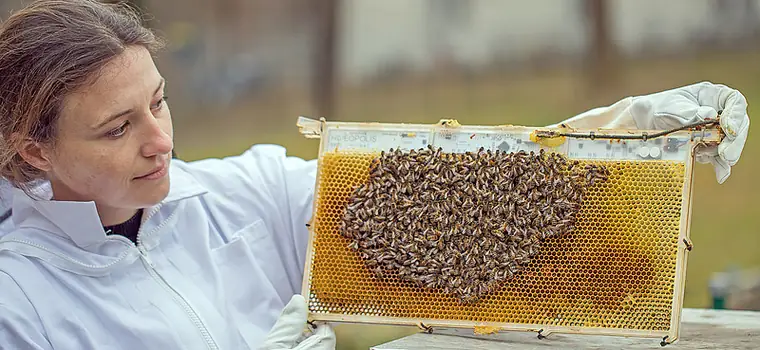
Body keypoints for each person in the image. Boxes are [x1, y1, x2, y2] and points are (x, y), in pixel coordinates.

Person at [0, 1, 749, 349]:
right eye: (118, 128)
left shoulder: (242, 194)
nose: (161, 141)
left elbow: (457, 196)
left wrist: (617, 139)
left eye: (159, 101)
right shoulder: (19, 303)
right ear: (33, 150)